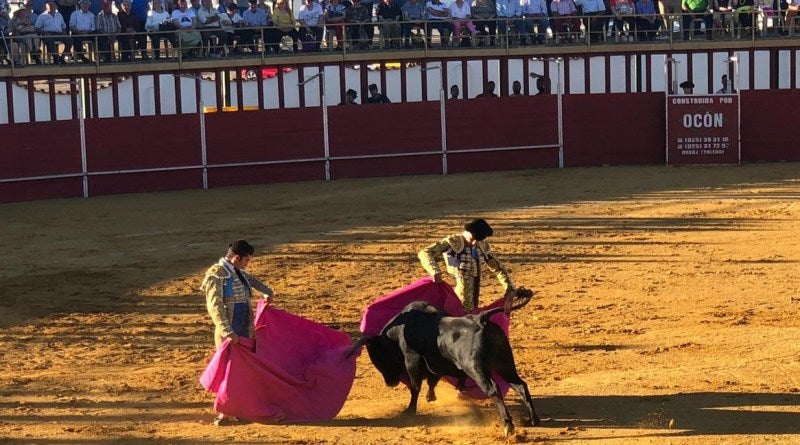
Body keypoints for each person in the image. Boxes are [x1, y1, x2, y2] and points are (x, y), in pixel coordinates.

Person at [200, 240, 274, 426]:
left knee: (241, 371)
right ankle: (224, 414)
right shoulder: (216, 274)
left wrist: (266, 291)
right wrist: (226, 330)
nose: (247, 264)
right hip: (230, 329)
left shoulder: (236, 271)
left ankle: (238, 408)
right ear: (236, 257)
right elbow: (214, 305)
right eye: (246, 260)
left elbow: (250, 279)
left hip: (244, 328)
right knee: (228, 370)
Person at [418, 218, 516, 312]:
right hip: (454, 298)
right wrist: (434, 271)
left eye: (478, 240)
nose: (475, 242)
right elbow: (424, 252)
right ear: (469, 232)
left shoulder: (481, 245)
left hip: (474, 301)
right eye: (474, 239)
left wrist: (509, 288)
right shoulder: (453, 242)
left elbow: (498, 268)